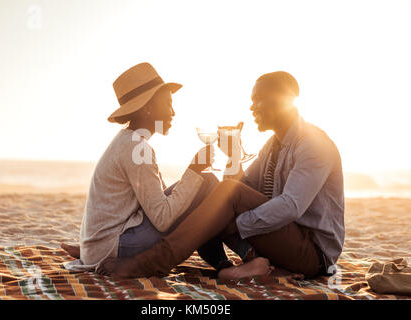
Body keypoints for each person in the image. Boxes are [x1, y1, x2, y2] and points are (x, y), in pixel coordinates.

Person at [94, 71, 345, 280]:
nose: (251, 107)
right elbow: (242, 187)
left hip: (313, 254)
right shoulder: (273, 146)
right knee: (212, 192)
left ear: (283, 101)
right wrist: (233, 155)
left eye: (258, 99)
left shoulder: (313, 143)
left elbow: (291, 206)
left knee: (220, 200)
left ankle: (150, 263)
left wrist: (234, 221)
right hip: (282, 240)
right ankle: (232, 268)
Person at [62, 63, 268, 278]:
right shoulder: (136, 148)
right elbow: (162, 218)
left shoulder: (130, 142)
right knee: (208, 187)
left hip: (105, 243)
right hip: (114, 246)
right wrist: (194, 169)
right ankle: (245, 257)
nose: (173, 112)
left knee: (206, 186)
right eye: (168, 104)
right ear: (147, 108)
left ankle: (227, 264)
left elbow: (157, 204)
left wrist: (196, 175)